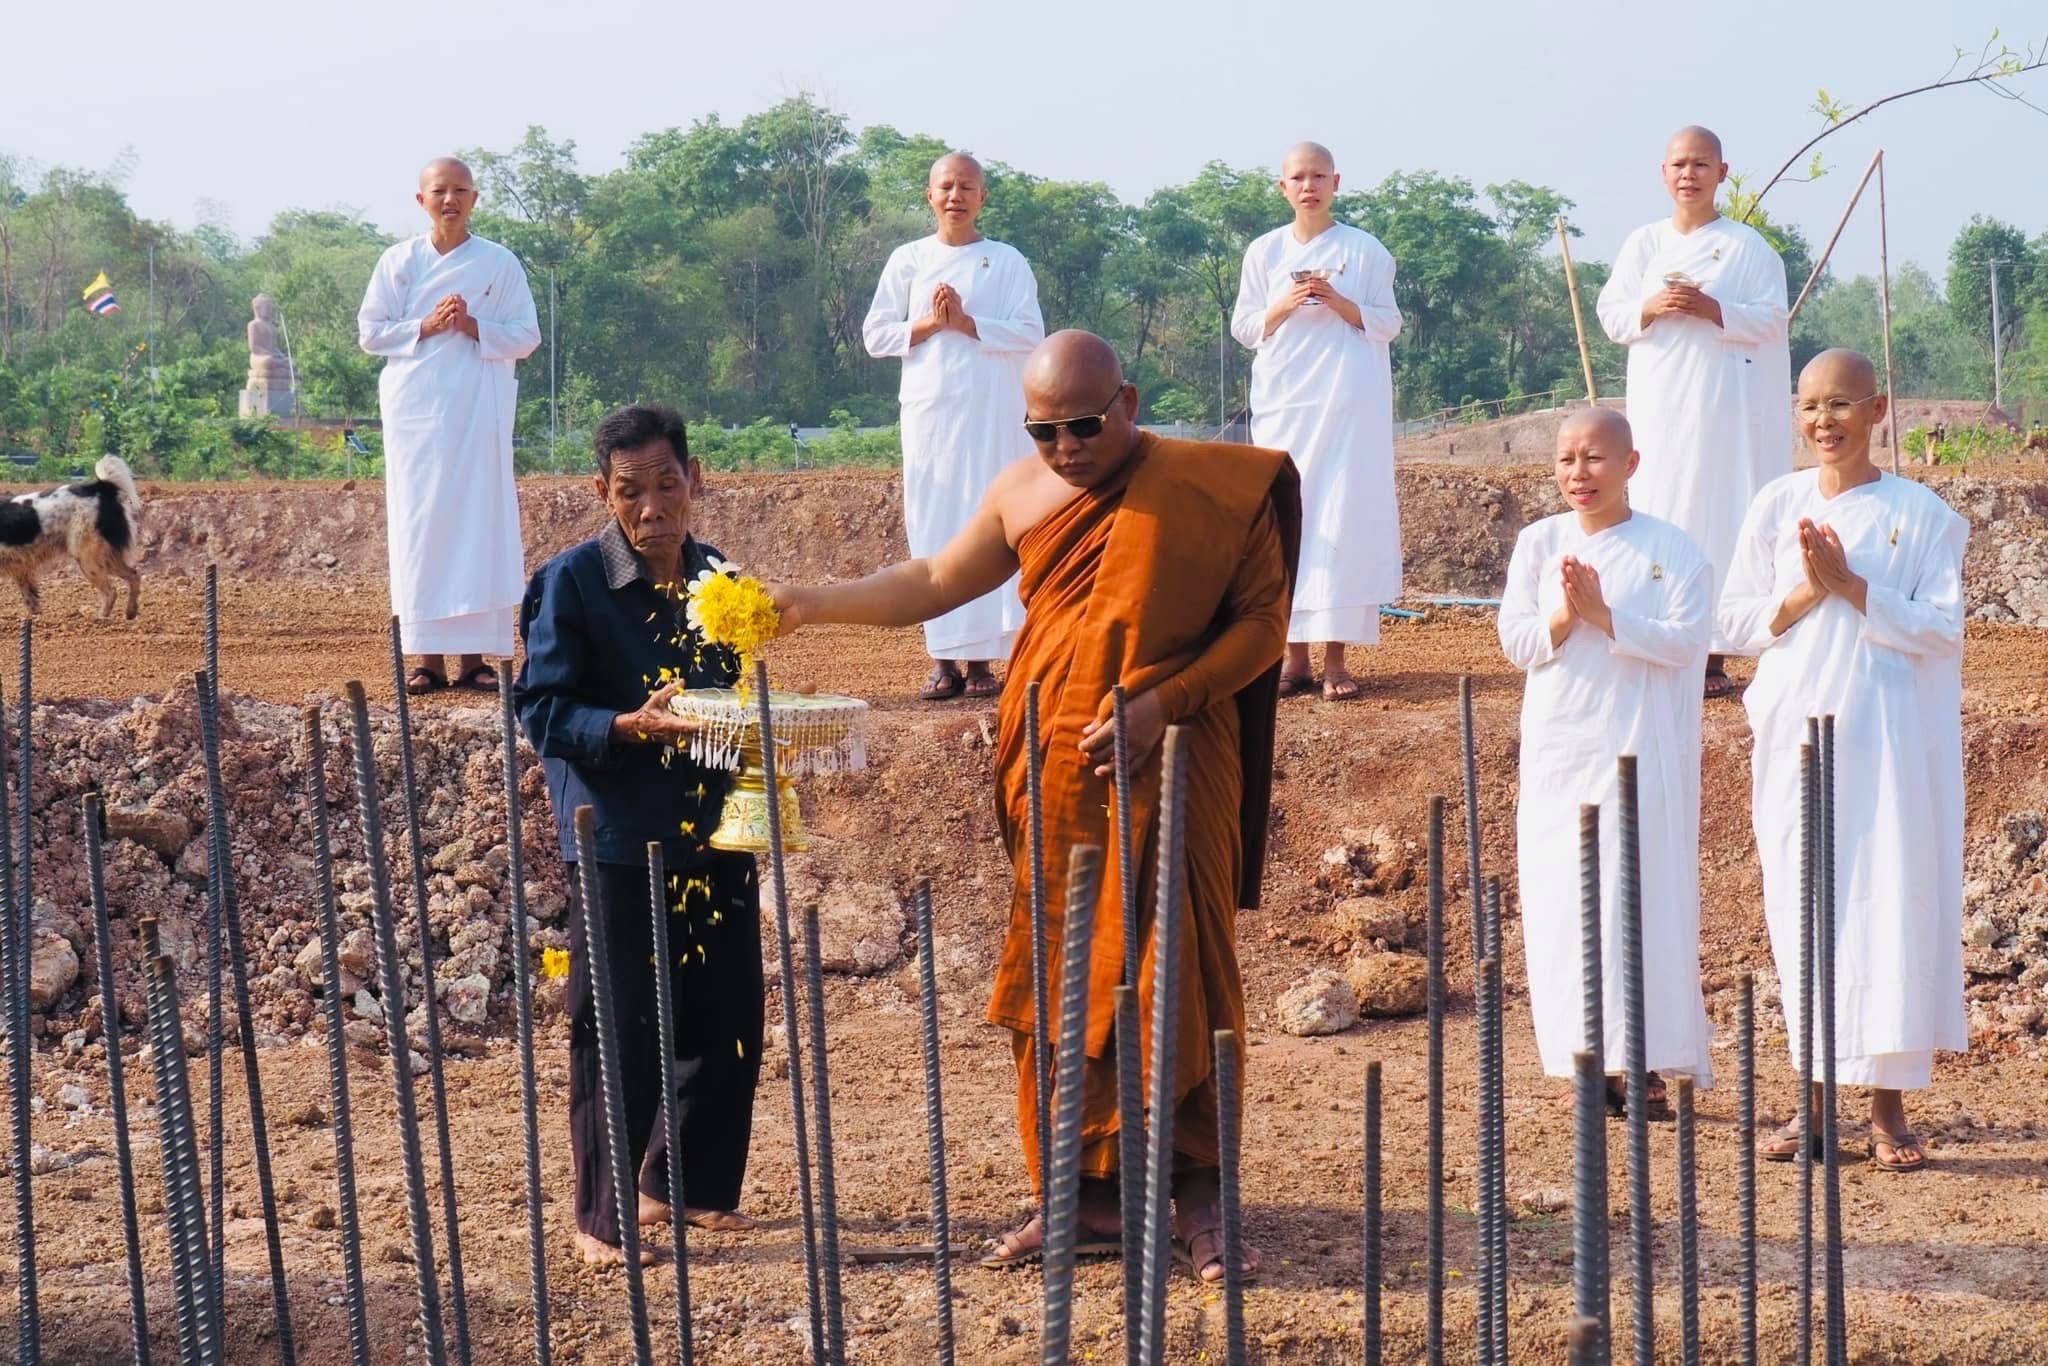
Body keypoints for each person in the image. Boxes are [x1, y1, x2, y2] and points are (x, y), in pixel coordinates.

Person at [772, 331, 1298, 1282]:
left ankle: (1201, 1196)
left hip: (1178, 758)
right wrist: (812, 601)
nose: (1066, 448)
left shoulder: (1214, 487)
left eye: (1084, 426)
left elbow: (1264, 625)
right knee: (1067, 968)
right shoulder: (1023, 491)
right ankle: (1087, 1197)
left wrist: (1159, 706)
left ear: (1128, 401)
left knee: (1177, 961)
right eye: (1044, 430)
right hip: (1053, 770)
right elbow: (933, 581)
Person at [514, 404, 765, 1264]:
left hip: (714, 824)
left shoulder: (719, 576)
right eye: (632, 492)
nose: (653, 508)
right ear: (603, 493)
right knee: (616, 1022)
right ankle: (603, 1219)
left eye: (667, 485)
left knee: (727, 1010)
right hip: (618, 829)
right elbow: (541, 709)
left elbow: (728, 695)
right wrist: (625, 726)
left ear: (696, 481)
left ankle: (682, 1187)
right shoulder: (574, 581)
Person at [1720, 349, 1966, 1172]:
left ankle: (1888, 1110)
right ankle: (1812, 1106)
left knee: (1887, 907)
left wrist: (1857, 588)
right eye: (1809, 405)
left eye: (1840, 405)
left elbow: (1943, 627)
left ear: (1878, 408)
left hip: (1889, 736)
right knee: (1807, 907)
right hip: (1797, 728)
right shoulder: (1774, 504)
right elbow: (1732, 623)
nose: (1823, 421)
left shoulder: (1922, 512)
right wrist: (1807, 591)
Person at [1498, 406, 1714, 1111]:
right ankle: (1585, 1062)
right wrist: (1565, 617)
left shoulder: (1673, 549)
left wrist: (1606, 617)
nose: (1578, 473)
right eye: (1566, 459)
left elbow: (1688, 644)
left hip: (1640, 750)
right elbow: (1516, 642)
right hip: (1563, 747)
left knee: (1638, 898)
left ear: (1630, 465)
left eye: (1593, 458)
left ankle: (1643, 1064)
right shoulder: (1538, 544)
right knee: (1567, 902)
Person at [1595, 126, 1793, 700]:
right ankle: (1658, 638)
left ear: (1722, 173)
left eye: (1701, 165)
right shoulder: (1643, 245)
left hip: (1725, 414)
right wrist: (1652, 307)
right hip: (1661, 408)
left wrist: (1713, 309)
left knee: (1722, 512)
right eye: (1680, 164)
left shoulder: (1748, 248)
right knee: (1661, 508)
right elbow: (1613, 315)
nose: (1689, 175)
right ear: (1663, 174)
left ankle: (1712, 651)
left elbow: (1773, 320)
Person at [862, 151, 1044, 701]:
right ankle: (943, 659)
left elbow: (1032, 334)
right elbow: (876, 337)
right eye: (946, 186)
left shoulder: (1007, 261)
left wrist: (968, 324)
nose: (956, 196)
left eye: (967, 187)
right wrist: (929, 324)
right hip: (932, 418)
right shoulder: (908, 260)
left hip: (992, 417)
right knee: (936, 526)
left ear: (983, 197)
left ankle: (985, 662)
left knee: (988, 529)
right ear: (930, 195)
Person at [359, 156, 540, 696]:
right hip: (417, 417)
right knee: (422, 531)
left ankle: (474, 660)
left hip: (476, 417)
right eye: (439, 191)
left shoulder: (499, 263)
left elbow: (526, 335)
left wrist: (470, 325)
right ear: (421, 200)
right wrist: (428, 325)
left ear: (474, 199)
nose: (450, 200)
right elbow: (371, 333)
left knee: (476, 528)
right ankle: (427, 659)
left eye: (460, 190)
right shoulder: (398, 262)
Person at [1230, 140, 1401, 702]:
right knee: (1289, 518)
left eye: (1319, 177)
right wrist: (1287, 301)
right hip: (1287, 403)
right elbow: (1247, 327)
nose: (1309, 187)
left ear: (1336, 183)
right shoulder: (1264, 252)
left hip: (1347, 405)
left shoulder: (1365, 249)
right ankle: (1292, 657)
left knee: (1342, 518)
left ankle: (1335, 659)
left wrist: (1335, 298)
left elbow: (1387, 323)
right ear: (1284, 188)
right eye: (1299, 178)